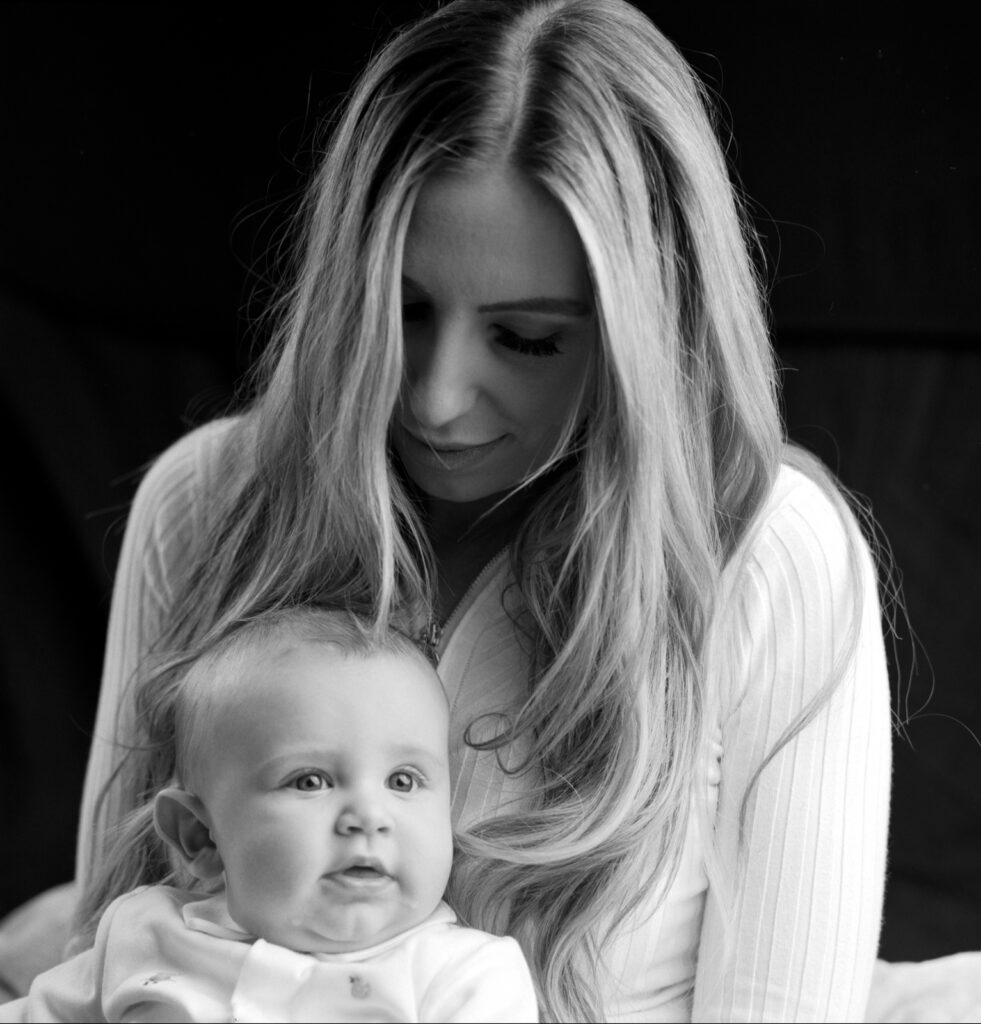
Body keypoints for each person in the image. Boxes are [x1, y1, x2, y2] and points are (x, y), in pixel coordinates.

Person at [0, 0, 913, 1020]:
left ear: (651, 335)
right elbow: (114, 942)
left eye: (526, 339)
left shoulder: (769, 552)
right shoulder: (206, 502)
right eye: (401, 310)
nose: (435, 398)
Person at [0, 607, 539, 1023]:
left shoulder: (462, 976)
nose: (369, 817)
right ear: (200, 838)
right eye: (310, 781)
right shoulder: (144, 932)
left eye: (403, 781)